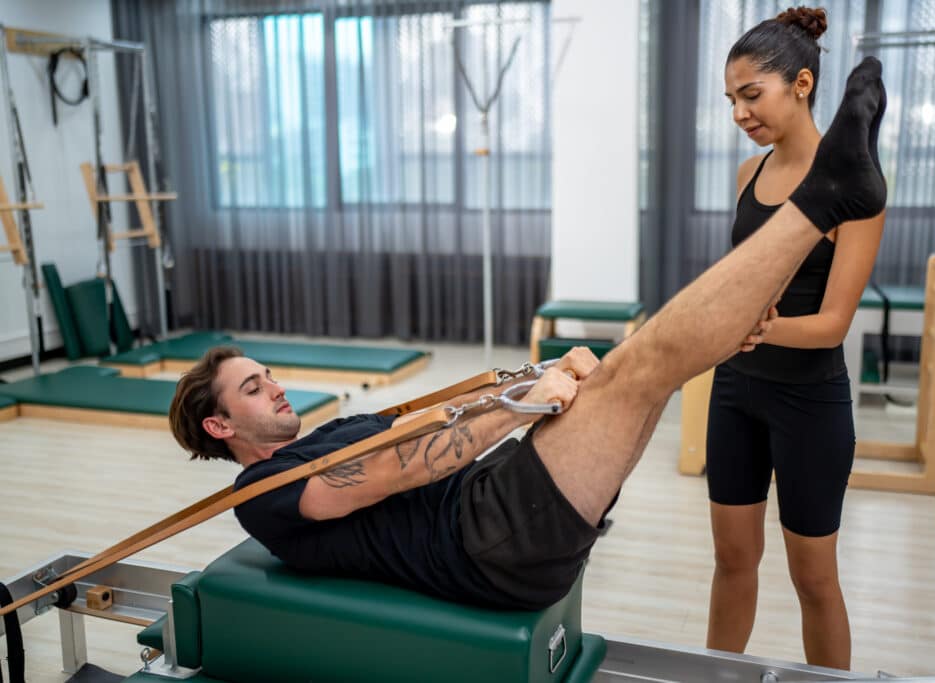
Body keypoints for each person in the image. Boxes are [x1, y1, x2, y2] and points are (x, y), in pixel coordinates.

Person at [168, 57, 887, 614]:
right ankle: (827, 196)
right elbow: (397, 469)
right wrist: (524, 407)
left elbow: (427, 423)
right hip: (487, 543)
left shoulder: (321, 435)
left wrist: (534, 376)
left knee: (638, 370)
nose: (277, 385)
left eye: (268, 374)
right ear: (220, 422)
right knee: (646, 359)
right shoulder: (261, 490)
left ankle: (820, 201)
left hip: (493, 503)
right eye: (255, 387)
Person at [706, 7, 887, 669]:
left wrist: (752, 327)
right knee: (731, 560)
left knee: (813, 578)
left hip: (809, 402)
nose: (739, 114)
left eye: (751, 95)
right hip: (736, 393)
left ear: (802, 84)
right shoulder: (746, 178)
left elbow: (833, 323)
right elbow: (737, 285)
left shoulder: (856, 191)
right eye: (731, 100)